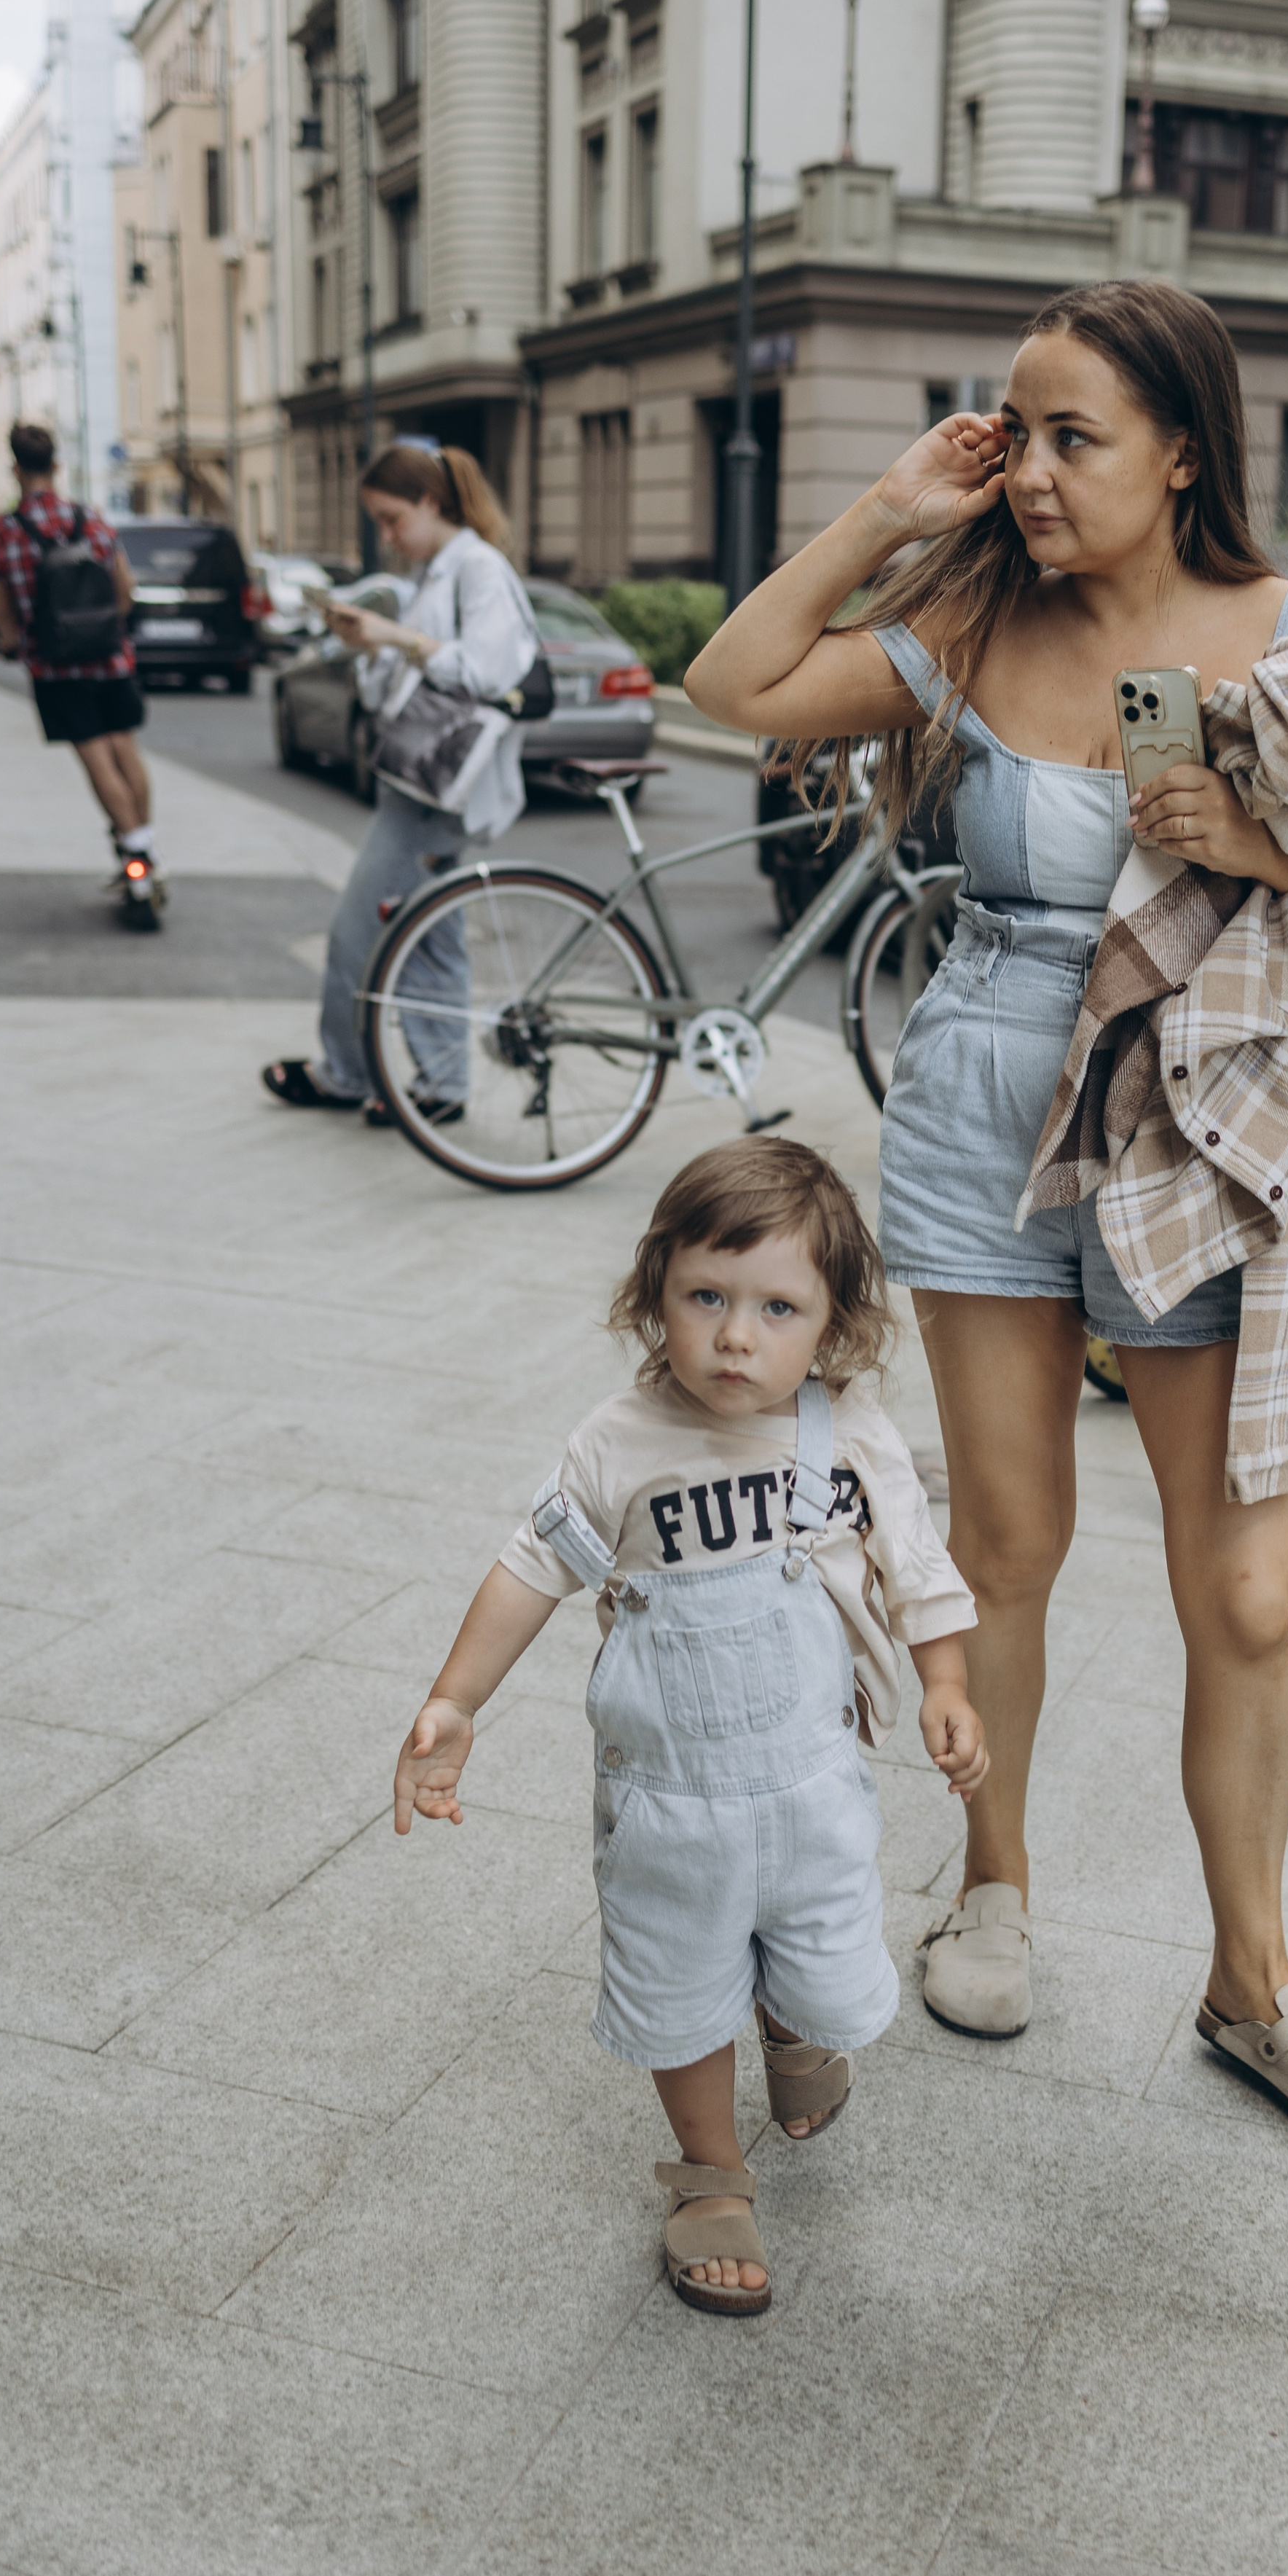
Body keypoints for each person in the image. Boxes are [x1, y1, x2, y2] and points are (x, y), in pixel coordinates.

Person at [684, 278, 1288, 2156]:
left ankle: (1251, 1982)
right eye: (1008, 431)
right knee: (1003, 1540)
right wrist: (891, 507)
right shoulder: (967, 613)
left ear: (1181, 449)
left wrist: (1249, 842)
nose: (1028, 469)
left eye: (1068, 436)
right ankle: (995, 1886)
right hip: (979, 1111)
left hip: (1205, 1123)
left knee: (1245, 1586)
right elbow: (733, 688)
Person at [392, 1137, 987, 2314]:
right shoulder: (618, 1443)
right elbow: (529, 1571)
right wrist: (454, 1700)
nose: (734, 1337)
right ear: (655, 1289)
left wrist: (947, 1685)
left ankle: (795, 2024)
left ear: (833, 1323)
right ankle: (710, 2173)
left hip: (811, 1784)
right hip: (670, 1799)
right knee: (677, 1975)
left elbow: (919, 1568)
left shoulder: (849, 1434)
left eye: (778, 1308)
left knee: (815, 1955)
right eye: (705, 1298)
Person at [260, 442, 538, 1125]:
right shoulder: (439, 573)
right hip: (419, 783)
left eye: (391, 519)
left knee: (362, 934)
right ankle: (442, 1088)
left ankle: (347, 1074)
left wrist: (395, 635)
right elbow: (406, 682)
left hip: (434, 791)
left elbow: (488, 670)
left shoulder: (477, 568)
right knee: (430, 935)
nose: (386, 536)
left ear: (430, 502)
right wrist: (372, 644)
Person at [0, 423, 158, 904]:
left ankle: (136, 859)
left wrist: (11, 643)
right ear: (57, 467)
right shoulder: (92, 520)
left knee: (96, 759)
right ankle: (145, 853)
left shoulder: (6, 533)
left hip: (56, 667)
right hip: (111, 658)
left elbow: (4, 615)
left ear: (16, 469)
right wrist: (109, 629)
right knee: (126, 751)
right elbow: (124, 587)